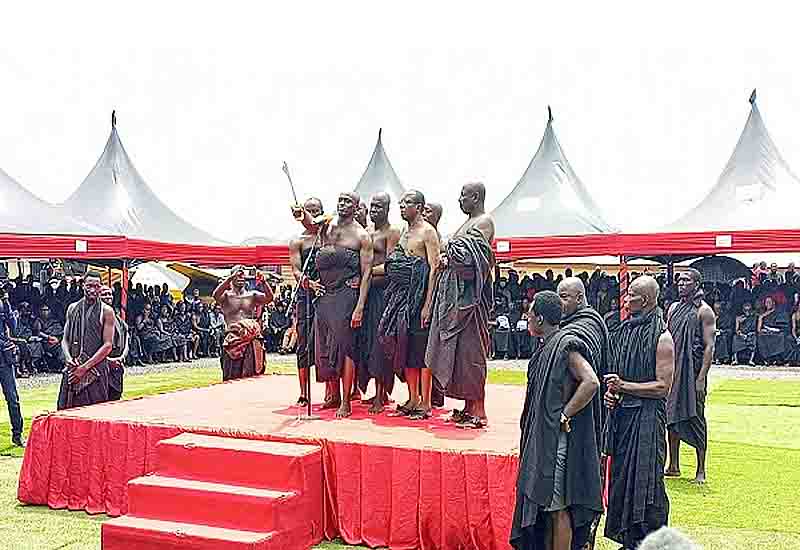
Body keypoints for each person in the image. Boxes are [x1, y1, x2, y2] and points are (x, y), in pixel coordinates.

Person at [511, 291, 602, 550]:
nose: (526, 317)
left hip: (557, 442)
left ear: (539, 318)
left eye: (529, 313)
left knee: (558, 509)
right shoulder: (548, 345)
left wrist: (564, 414)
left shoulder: (565, 344)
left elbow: (591, 382)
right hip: (544, 439)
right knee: (549, 510)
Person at [603, 275, 674, 549]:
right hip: (624, 417)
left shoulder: (663, 337)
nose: (625, 298)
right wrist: (613, 393)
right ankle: (630, 540)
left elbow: (662, 387)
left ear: (644, 300)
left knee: (648, 484)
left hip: (647, 420)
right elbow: (617, 375)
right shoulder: (625, 331)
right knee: (623, 480)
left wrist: (625, 387)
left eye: (630, 294)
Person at [296, 192, 373, 417]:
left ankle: (346, 401)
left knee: (346, 347)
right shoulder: (326, 226)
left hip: (347, 295)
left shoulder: (361, 235)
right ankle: (334, 394)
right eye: (339, 200)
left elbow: (367, 273)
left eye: (348, 201)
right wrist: (301, 215)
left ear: (356, 206)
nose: (342, 204)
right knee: (328, 347)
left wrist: (360, 306)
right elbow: (309, 224)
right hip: (324, 296)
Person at [427, 182, 495, 428]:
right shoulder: (466, 223)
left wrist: (449, 249)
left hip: (471, 302)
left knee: (472, 353)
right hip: (455, 298)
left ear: (475, 197)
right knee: (459, 355)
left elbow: (472, 256)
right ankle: (467, 406)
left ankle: (479, 410)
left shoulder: (484, 221)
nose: (459, 200)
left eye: (463, 196)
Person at [379, 190, 440, 417]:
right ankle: (413, 397)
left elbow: (434, 268)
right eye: (401, 202)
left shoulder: (428, 232)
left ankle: (426, 402)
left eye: (408, 203)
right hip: (400, 300)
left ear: (420, 207)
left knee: (422, 352)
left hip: (420, 299)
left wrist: (427, 304)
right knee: (405, 349)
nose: (403, 206)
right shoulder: (402, 233)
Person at [349, 192, 401, 412]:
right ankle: (367, 390)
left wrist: (367, 274)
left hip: (383, 293)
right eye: (372, 205)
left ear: (388, 208)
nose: (374, 210)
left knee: (381, 343)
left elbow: (391, 266)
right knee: (365, 343)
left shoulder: (393, 232)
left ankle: (382, 394)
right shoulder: (366, 232)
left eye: (379, 206)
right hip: (365, 294)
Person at [666, 268, 715, 484]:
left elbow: (709, 347)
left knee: (695, 417)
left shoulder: (704, 311)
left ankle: (700, 469)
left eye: (686, 280)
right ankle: (673, 464)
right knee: (671, 417)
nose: (681, 283)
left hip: (692, 372)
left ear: (697, 284)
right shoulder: (674, 308)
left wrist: (701, 378)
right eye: (680, 280)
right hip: (673, 371)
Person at [57, 272, 116, 410]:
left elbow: (108, 345)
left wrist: (84, 368)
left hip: (96, 371)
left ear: (100, 288)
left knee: (96, 415)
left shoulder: (106, 311)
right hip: (73, 367)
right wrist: (68, 358)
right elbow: (65, 339)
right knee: (67, 413)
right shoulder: (72, 308)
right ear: (83, 285)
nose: (92, 290)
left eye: (96, 286)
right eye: (89, 285)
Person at [288, 197, 325, 405]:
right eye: (309, 209)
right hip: (305, 294)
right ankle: (304, 392)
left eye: (316, 209)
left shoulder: (329, 237)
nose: (312, 213)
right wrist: (309, 283)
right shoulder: (297, 241)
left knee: (329, 343)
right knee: (303, 343)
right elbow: (295, 269)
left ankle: (333, 392)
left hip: (329, 294)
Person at [213, 266, 274, 381]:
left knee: (251, 377)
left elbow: (270, 298)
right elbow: (215, 295)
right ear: (232, 277)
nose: (241, 277)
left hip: (251, 340)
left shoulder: (252, 295)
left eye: (242, 275)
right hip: (233, 339)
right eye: (238, 274)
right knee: (232, 376)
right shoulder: (226, 296)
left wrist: (264, 282)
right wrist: (229, 278)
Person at [421, 201, 445, 408]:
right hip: (420, 296)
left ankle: (433, 397)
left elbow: (436, 270)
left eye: (428, 211)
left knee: (433, 350)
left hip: (436, 300)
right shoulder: (418, 233)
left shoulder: (439, 240)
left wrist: (429, 303)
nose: (424, 213)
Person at [0, 287, 24, 447]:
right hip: (3, 352)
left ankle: (17, 434)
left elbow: (13, 325)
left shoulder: (3, 304)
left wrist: (5, 300)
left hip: (4, 359)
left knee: (13, 399)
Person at [101, 285, 128, 401]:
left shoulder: (116, 317)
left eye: (110, 294)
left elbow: (126, 336)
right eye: (104, 294)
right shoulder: (96, 316)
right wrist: (108, 360)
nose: (108, 297)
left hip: (118, 362)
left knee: (116, 396)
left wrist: (122, 356)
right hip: (103, 364)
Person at [31, 303, 66, 373]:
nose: (44, 312)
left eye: (46, 310)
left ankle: (64, 365)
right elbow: (38, 332)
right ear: (40, 311)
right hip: (45, 342)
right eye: (43, 310)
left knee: (63, 347)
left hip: (56, 341)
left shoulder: (54, 321)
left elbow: (61, 332)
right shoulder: (38, 321)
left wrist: (58, 339)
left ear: (49, 311)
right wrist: (48, 337)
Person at [757, 296, 787, 365]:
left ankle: (777, 358)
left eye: (770, 302)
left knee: (780, 337)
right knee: (761, 337)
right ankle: (767, 359)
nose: (768, 304)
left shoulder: (779, 312)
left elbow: (782, 325)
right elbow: (758, 329)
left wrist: (773, 330)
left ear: (774, 303)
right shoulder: (762, 313)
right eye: (766, 302)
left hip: (776, 332)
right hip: (766, 333)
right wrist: (761, 317)